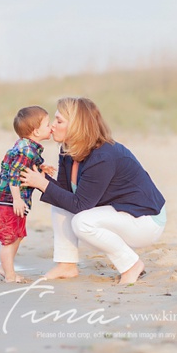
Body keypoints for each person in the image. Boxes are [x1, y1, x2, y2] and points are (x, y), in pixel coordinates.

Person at [21, 97, 166, 285]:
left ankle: (131, 265)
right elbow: (64, 194)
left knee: (83, 222)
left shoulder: (103, 156)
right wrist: (41, 178)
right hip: (120, 212)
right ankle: (67, 265)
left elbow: (81, 205)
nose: (53, 126)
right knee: (58, 205)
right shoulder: (68, 150)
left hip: (146, 219)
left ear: (77, 126)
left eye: (59, 121)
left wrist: (42, 184)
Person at [0, 106, 55, 283]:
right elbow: (13, 173)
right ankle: (9, 275)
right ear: (35, 131)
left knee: (18, 235)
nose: (51, 127)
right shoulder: (25, 149)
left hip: (17, 201)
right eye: (48, 124)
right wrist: (17, 199)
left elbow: (24, 166)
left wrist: (41, 167)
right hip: (8, 201)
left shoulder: (30, 148)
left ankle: (5, 267)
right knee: (9, 238)